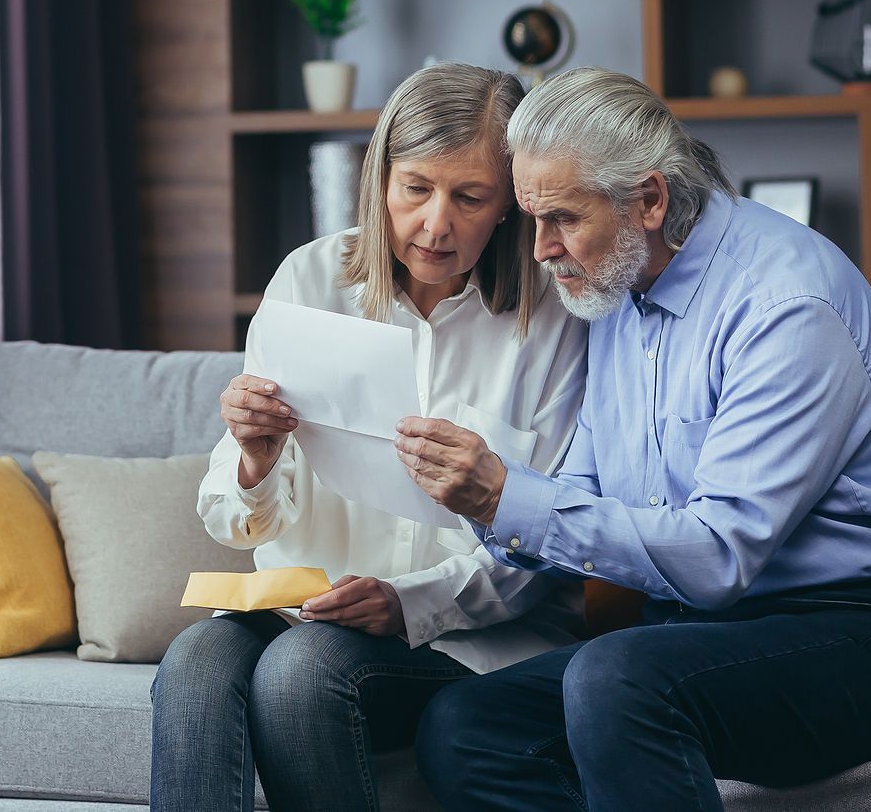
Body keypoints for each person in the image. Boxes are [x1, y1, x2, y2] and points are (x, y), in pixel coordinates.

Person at [396, 66, 871, 812]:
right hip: (686, 635)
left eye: (561, 217)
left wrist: (508, 495)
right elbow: (583, 498)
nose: (539, 249)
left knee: (616, 678)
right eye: (532, 218)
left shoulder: (786, 305)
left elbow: (719, 553)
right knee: (465, 723)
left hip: (859, 632)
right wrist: (489, 504)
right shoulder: (616, 287)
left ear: (650, 199)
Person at [149, 63, 588, 812]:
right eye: (415, 188)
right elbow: (233, 516)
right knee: (193, 663)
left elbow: (551, 542)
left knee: (299, 673)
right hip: (304, 609)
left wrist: (407, 603)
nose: (436, 223)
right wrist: (256, 456)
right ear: (380, 179)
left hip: (464, 638)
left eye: (470, 196)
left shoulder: (553, 321)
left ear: (511, 204)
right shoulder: (309, 279)